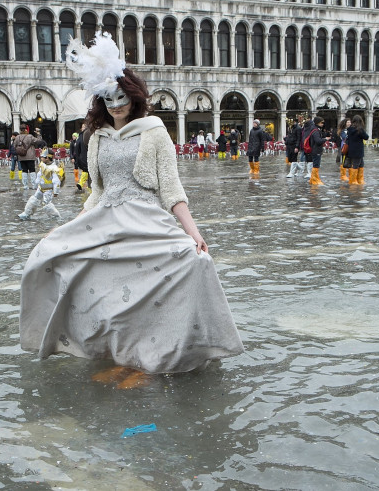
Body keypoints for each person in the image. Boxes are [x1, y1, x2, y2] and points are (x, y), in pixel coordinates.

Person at [20, 32, 243, 381]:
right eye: (108, 100)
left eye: (122, 98)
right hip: (106, 219)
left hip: (145, 219)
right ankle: (119, 356)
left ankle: (154, 358)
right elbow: (96, 191)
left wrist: (194, 232)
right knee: (65, 265)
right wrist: (69, 228)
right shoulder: (96, 137)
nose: (116, 106)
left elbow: (171, 188)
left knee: (193, 263)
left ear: (135, 97)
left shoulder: (154, 131)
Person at [18, 147, 62, 220]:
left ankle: (55, 217)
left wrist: (56, 191)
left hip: (48, 190)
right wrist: (36, 183)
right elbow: (39, 175)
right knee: (34, 199)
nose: (41, 158)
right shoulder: (42, 165)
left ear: (47, 158)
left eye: (42, 157)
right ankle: (27, 213)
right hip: (40, 187)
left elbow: (56, 181)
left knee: (46, 204)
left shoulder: (54, 168)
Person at [15, 123, 42, 190]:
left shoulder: (17, 137)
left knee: (24, 171)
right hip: (30, 156)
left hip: (21, 156)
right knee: (32, 170)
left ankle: (25, 185)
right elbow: (38, 141)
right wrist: (38, 134)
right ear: (26, 129)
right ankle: (34, 185)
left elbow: (14, 146)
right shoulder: (29, 136)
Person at [345, 115, 369, 185]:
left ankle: (359, 179)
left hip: (351, 149)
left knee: (361, 164)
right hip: (358, 150)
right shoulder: (359, 130)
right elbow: (366, 137)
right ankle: (353, 181)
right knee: (356, 165)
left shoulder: (349, 129)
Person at [308, 116, 331, 185]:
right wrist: (325, 139)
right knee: (316, 165)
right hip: (316, 150)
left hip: (315, 150)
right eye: (321, 123)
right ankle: (315, 180)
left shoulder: (315, 129)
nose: (322, 124)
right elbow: (318, 141)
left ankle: (313, 179)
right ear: (317, 122)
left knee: (316, 165)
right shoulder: (315, 131)